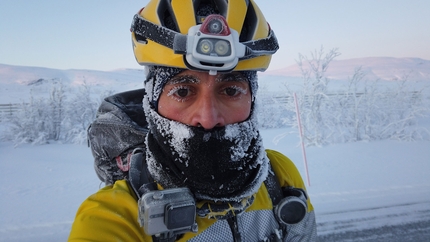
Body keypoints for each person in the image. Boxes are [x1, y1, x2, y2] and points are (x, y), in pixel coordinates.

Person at [69, 0, 317, 241]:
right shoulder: (114, 218)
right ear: (153, 101)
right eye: (183, 91)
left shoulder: (280, 176)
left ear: (252, 99)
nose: (208, 119)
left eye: (231, 91)